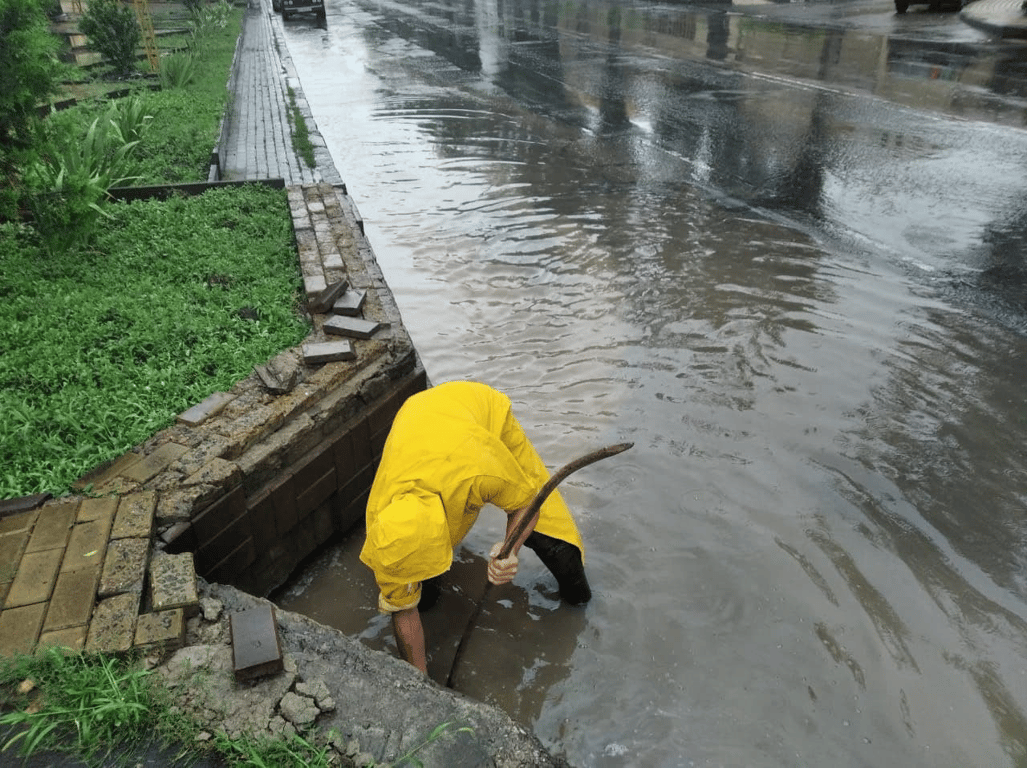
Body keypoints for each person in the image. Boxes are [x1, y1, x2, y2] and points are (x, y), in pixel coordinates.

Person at [359, 380, 592, 673]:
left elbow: (526, 503)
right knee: (420, 597)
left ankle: (578, 597)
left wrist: (509, 550)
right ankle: (427, 580)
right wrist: (420, 682)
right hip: (418, 418)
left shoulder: (480, 470)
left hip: (478, 413)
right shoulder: (382, 528)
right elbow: (402, 610)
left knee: (553, 541)